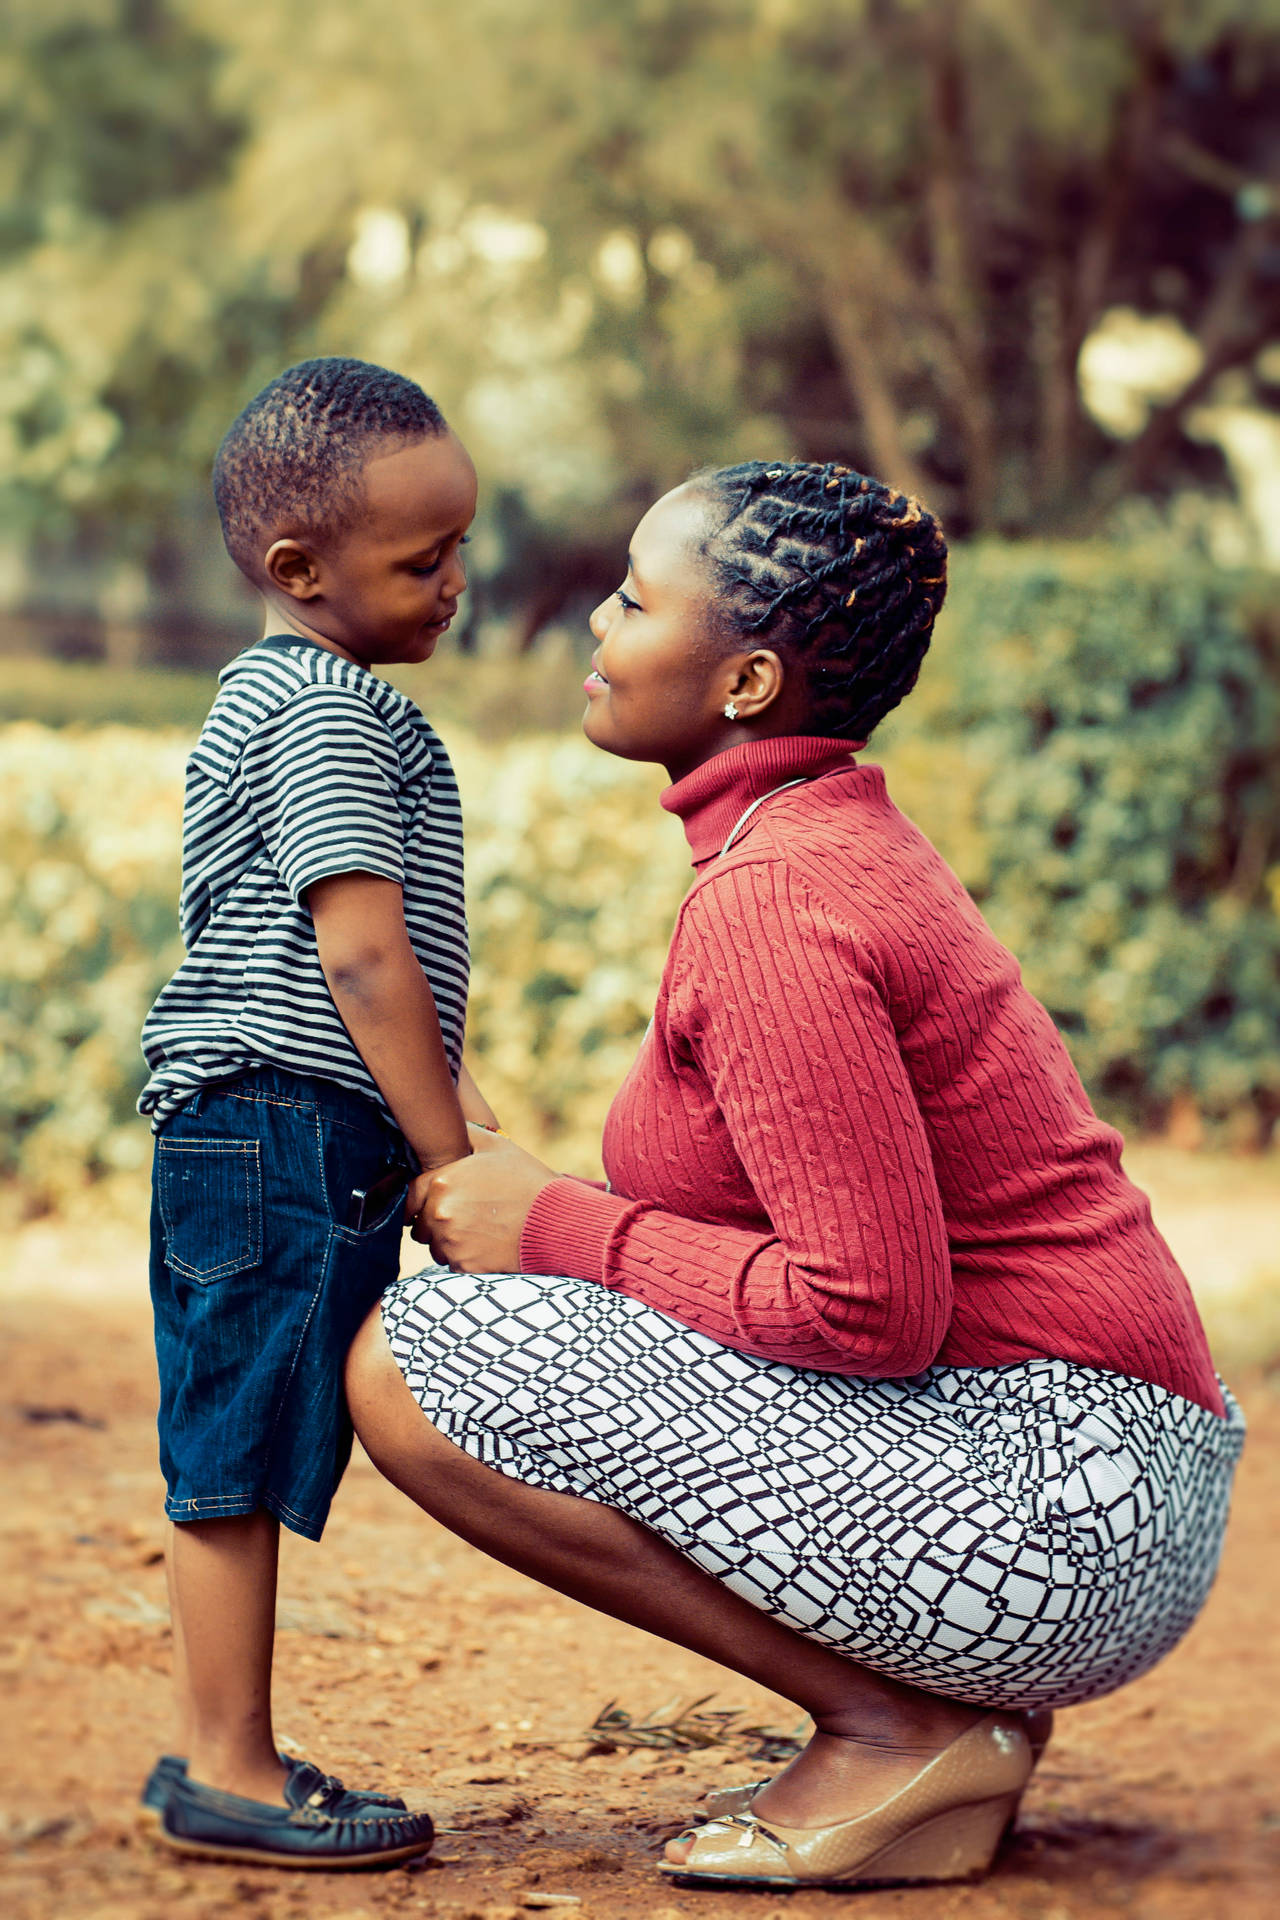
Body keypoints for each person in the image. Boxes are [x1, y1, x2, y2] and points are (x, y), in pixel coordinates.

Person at [345, 457, 1245, 1891]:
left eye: (636, 600)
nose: (596, 624)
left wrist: (559, 1224)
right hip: (1092, 1464)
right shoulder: (812, 843)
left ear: (748, 684)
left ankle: (899, 1729)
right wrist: (536, 1199)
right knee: (487, 1325)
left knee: (418, 1364)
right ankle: (932, 1729)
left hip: (1067, 1504)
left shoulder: (775, 900)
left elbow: (866, 1307)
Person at [137, 357, 496, 1868]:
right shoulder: (328, 711)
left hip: (282, 1126)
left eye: (461, 546)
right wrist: (451, 1155)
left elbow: (380, 967)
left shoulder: (293, 702)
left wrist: (465, 1119)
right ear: (301, 571)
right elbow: (359, 948)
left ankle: (231, 1754)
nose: (461, 584)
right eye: (426, 560)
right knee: (234, 1438)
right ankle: (227, 1765)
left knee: (256, 1426)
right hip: (278, 1123)